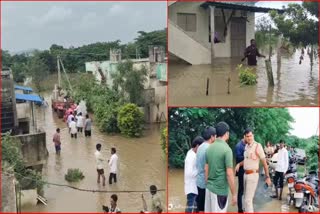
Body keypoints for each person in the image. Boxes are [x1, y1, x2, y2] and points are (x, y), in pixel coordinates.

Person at [235, 128, 271, 213]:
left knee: (248, 200)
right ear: (245, 137)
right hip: (245, 174)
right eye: (247, 136)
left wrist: (267, 177)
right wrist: (239, 164)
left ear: (253, 135)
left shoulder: (258, 146)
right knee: (245, 198)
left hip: (253, 175)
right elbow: (246, 160)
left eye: (250, 136)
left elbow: (264, 163)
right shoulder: (246, 146)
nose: (249, 138)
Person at [205, 122, 237, 212]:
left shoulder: (209, 148)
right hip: (219, 191)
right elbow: (229, 173)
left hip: (209, 189)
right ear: (227, 133)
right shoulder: (227, 150)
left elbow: (206, 168)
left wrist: (208, 184)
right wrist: (234, 194)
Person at [196, 127, 216, 213]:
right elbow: (208, 168)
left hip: (199, 181)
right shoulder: (210, 148)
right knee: (206, 208)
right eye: (215, 136)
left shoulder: (200, 147)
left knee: (200, 207)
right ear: (212, 137)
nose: (215, 138)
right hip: (205, 183)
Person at [184, 136, 204, 212]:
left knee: (194, 206)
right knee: (190, 206)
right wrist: (200, 170)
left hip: (193, 186)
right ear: (198, 146)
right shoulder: (191, 157)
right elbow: (189, 173)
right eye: (201, 147)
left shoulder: (191, 152)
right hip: (191, 187)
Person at [235, 137, 246, 213]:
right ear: (244, 136)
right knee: (241, 190)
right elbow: (238, 158)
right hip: (241, 171)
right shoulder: (239, 146)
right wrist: (247, 156)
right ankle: (240, 209)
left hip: (247, 170)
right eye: (248, 136)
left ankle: (245, 207)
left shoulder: (247, 145)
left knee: (246, 190)